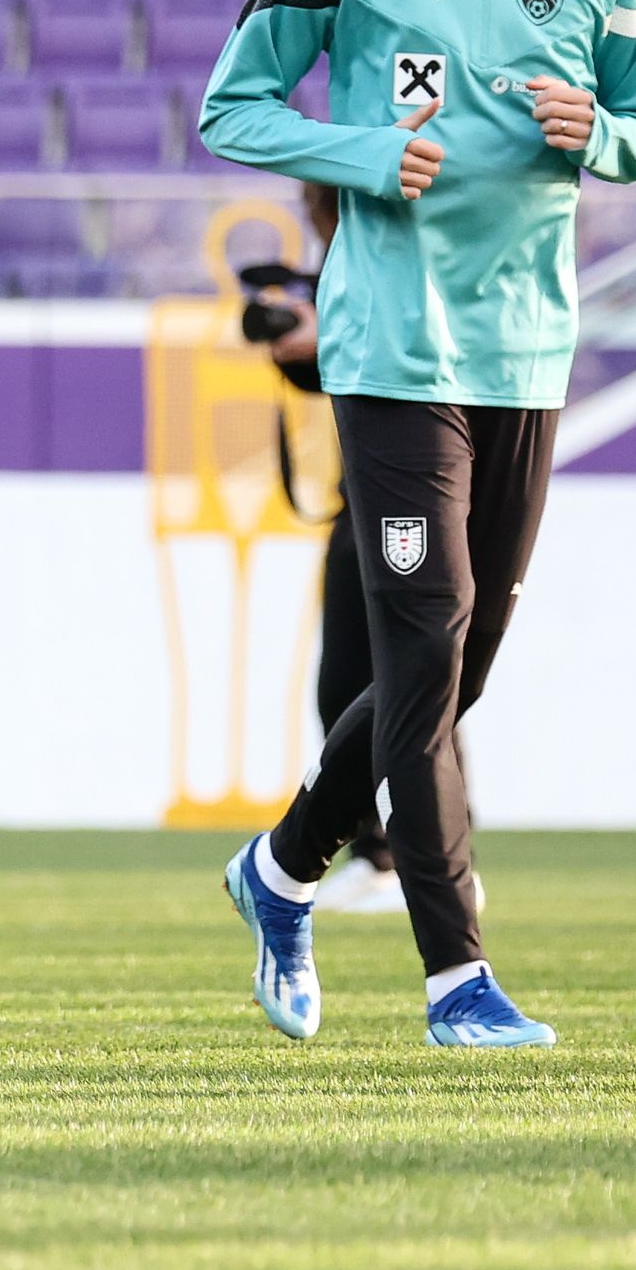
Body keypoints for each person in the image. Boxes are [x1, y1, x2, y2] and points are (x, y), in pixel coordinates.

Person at [203, 0, 636, 1050]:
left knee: (454, 670)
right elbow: (233, 104)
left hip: (529, 347)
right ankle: (458, 978)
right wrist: (355, 153)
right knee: (424, 636)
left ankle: (279, 865)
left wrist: (600, 129)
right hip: (393, 342)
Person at [238, 184, 405, 913]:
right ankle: (384, 852)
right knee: (354, 686)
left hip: (402, 492)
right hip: (363, 493)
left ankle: (411, 857)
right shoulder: (353, 267)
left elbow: (390, 347)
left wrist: (327, 331)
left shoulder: (394, 266)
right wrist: (301, 347)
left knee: (403, 679)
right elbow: (326, 370)